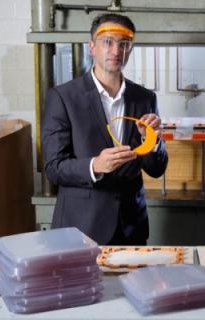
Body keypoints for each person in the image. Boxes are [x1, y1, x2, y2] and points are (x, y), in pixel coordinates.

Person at [41, 13, 168, 245]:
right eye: (107, 42)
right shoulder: (63, 97)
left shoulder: (145, 98)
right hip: (80, 228)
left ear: (130, 49)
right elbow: (53, 167)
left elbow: (157, 168)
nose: (116, 51)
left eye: (124, 44)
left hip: (131, 227)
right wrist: (95, 166)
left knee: (130, 283)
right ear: (92, 47)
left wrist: (152, 141)